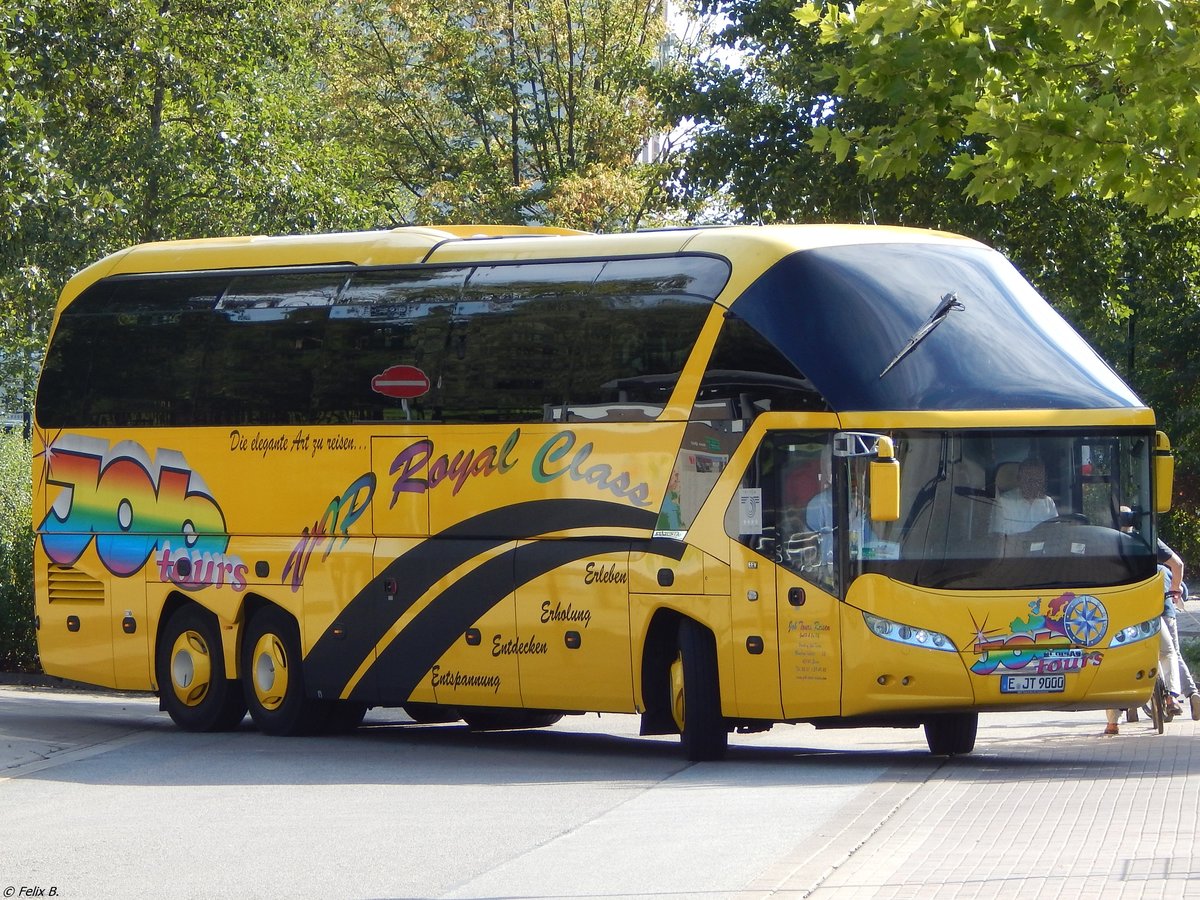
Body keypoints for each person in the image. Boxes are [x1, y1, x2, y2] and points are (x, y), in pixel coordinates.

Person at [992, 457, 1058, 534]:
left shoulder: (1048, 503)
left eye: (1038, 480)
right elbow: (998, 539)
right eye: (1030, 479)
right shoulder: (1003, 503)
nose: (1034, 484)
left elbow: (1056, 533)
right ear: (1019, 479)